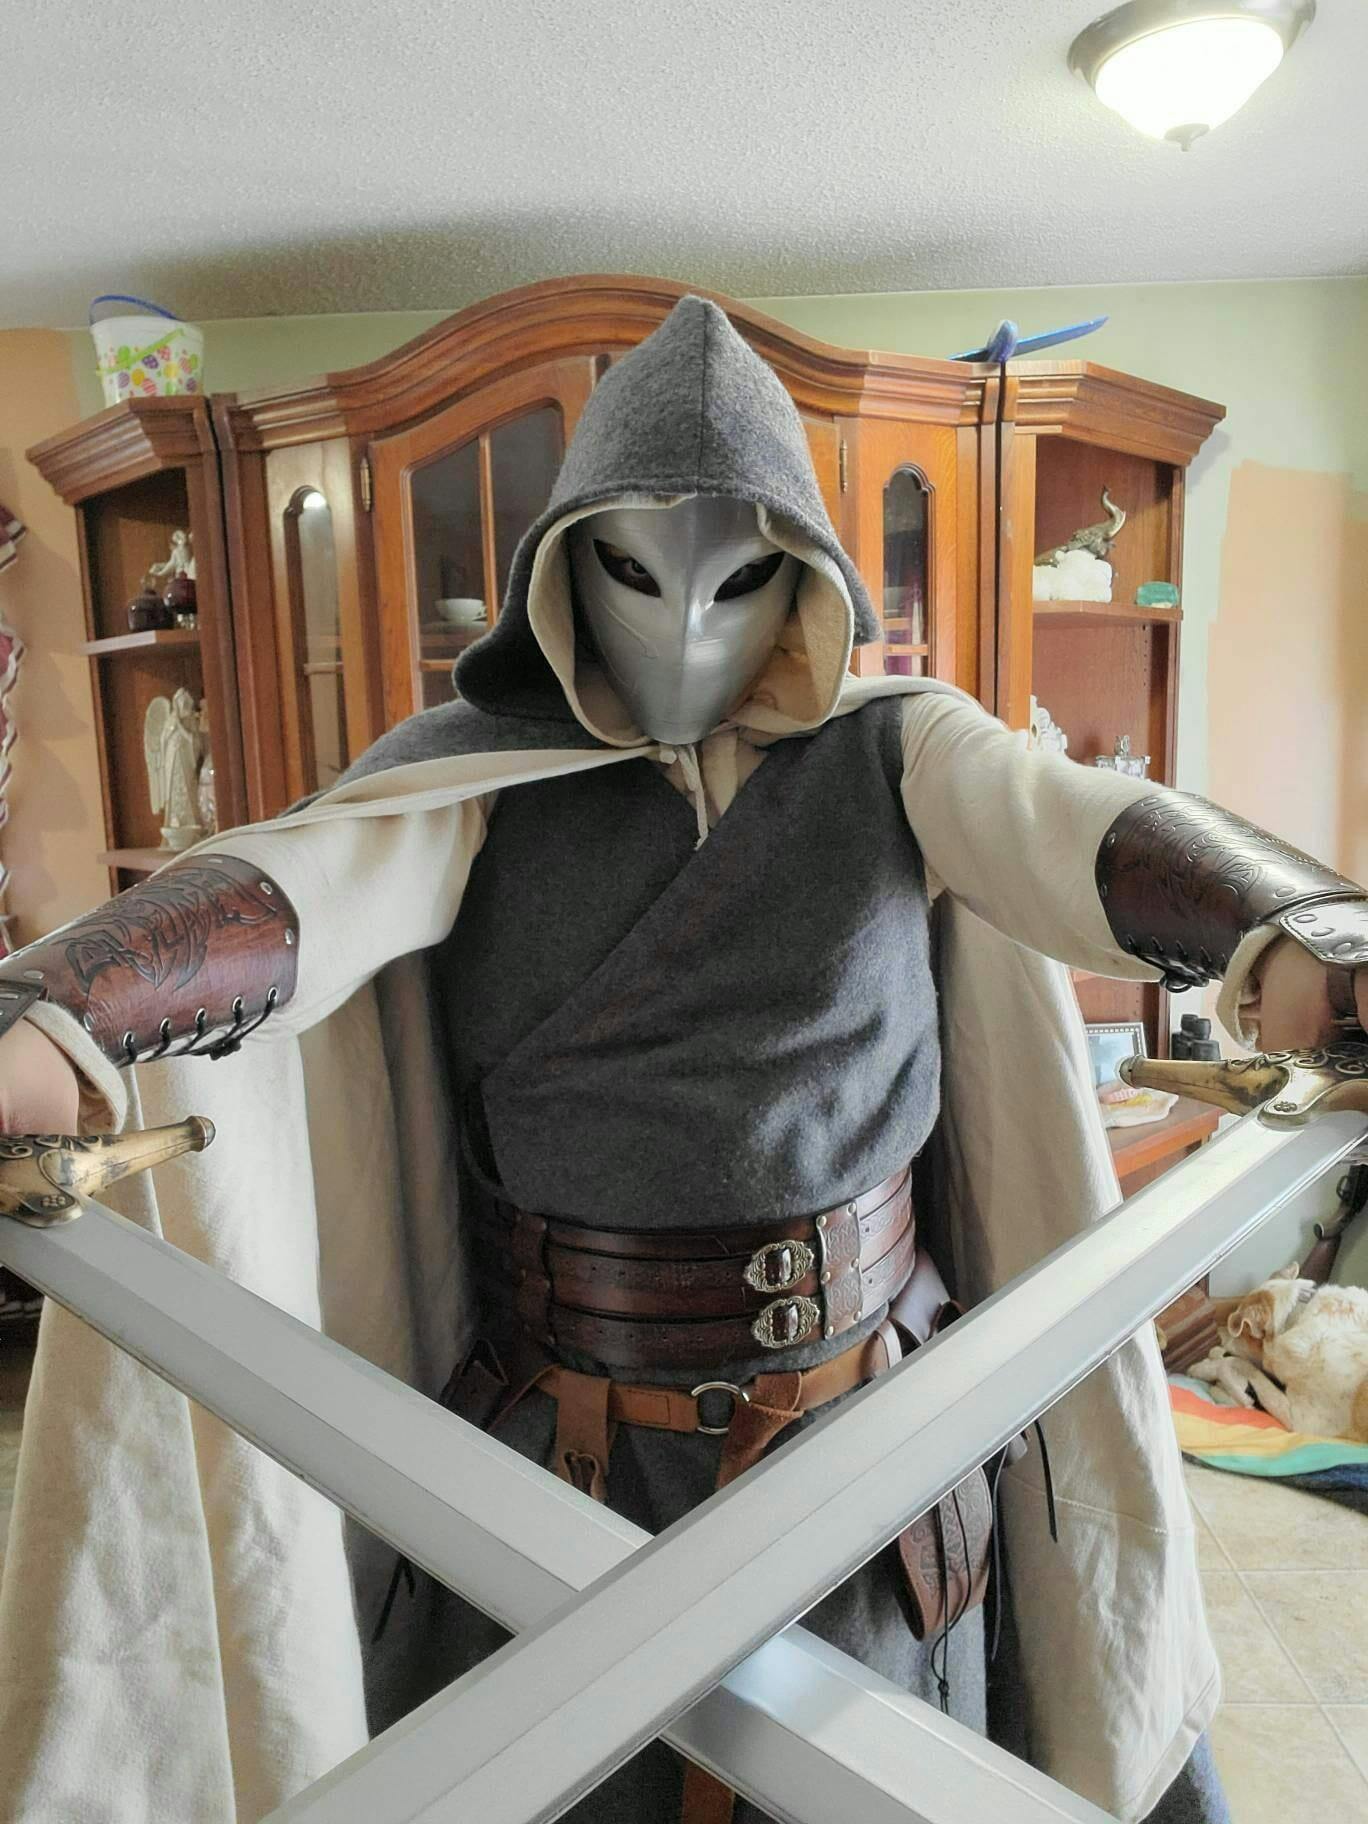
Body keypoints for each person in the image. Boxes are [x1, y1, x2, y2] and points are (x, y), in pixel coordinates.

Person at [0, 298, 1364, 1824]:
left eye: (744, 575)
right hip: (559, 1453)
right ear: (565, 570)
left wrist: (1300, 927)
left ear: (810, 577)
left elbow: (1067, 823)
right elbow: (297, 891)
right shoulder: (462, 778)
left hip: (866, 1445)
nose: (694, 626)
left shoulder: (903, 748)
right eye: (639, 570)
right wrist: (58, 1014)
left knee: (877, 1788)